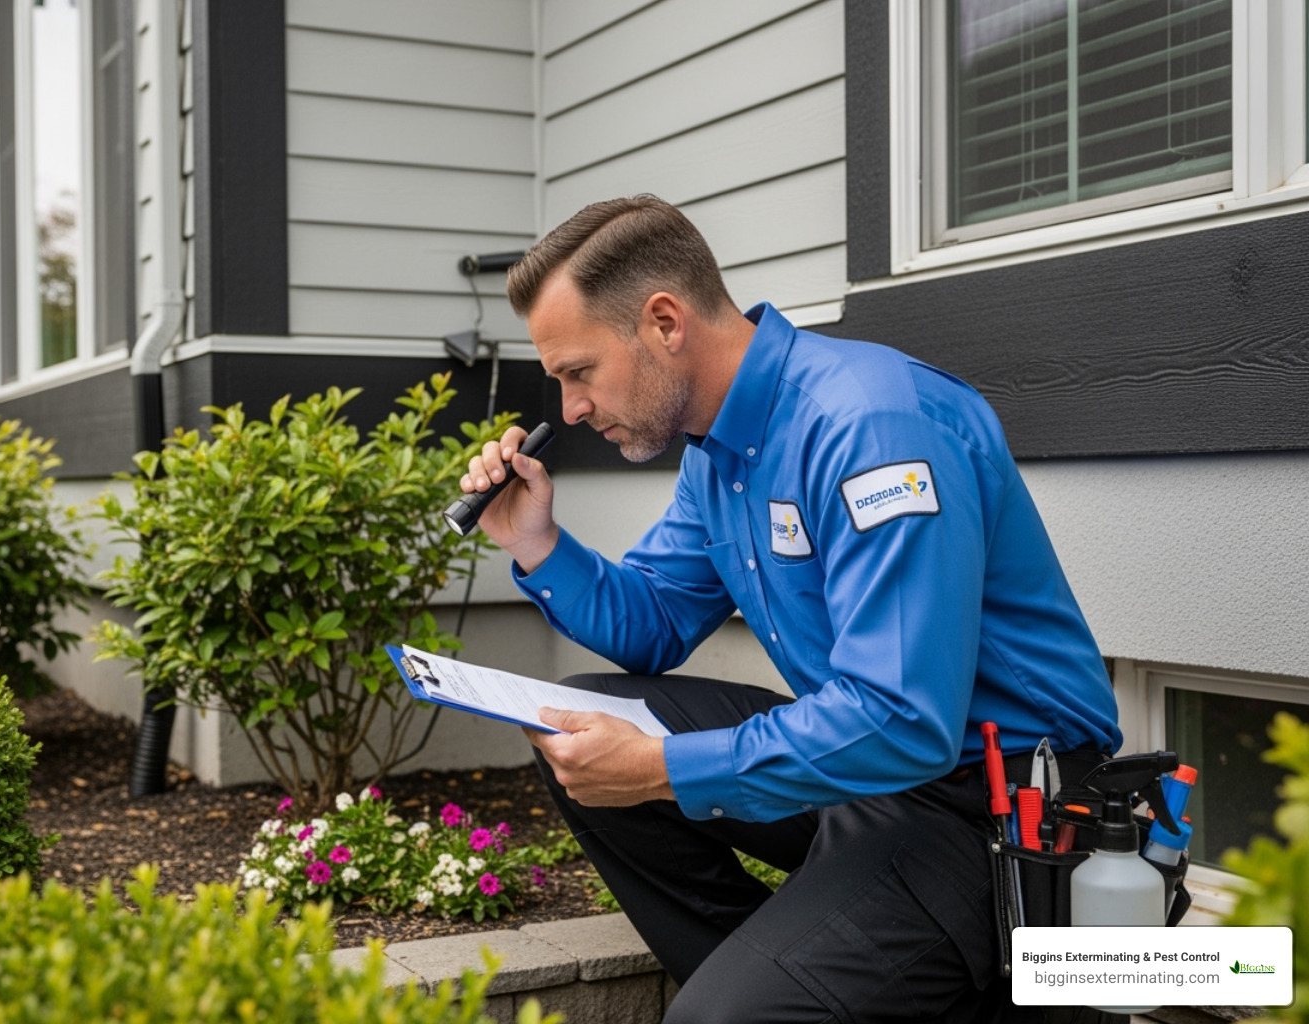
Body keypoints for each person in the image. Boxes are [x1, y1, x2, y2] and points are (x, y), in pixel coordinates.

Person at [460, 196, 1122, 1023]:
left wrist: (665, 768)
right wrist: (535, 544)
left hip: (993, 809)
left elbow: (903, 719)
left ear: (664, 322)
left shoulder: (869, 426)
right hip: (872, 773)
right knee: (579, 723)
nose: (570, 410)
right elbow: (656, 620)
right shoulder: (722, 451)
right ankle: (788, 978)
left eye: (578, 371)